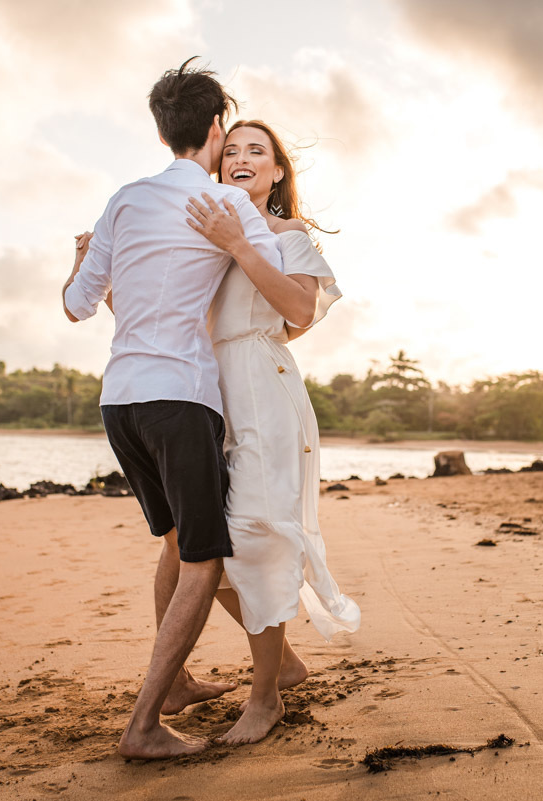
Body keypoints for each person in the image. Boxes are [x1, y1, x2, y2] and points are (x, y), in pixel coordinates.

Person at [61, 58, 283, 759]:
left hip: (118, 400)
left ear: (164, 133)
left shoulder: (124, 199)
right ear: (218, 126)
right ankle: (144, 723)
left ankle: (178, 680)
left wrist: (84, 262)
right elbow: (281, 289)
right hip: (180, 398)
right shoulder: (229, 206)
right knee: (204, 559)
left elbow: (75, 302)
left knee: (175, 545)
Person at [183, 119, 361, 744]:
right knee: (210, 547)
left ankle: (264, 700)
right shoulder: (201, 240)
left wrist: (240, 243)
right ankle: (283, 664)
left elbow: (298, 311)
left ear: (277, 171)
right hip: (210, 393)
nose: (241, 157)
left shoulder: (288, 234)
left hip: (265, 386)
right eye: (230, 150)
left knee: (258, 536)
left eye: (256, 150)